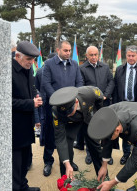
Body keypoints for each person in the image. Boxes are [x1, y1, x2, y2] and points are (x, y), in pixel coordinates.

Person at [40, 41, 83, 177]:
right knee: (51, 135)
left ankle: (68, 161)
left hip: (71, 106)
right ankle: (48, 161)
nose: (68, 53)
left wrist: (75, 98)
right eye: (65, 50)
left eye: (69, 50)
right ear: (58, 50)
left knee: (68, 136)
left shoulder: (74, 64)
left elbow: (79, 83)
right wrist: (57, 100)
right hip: (53, 106)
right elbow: (46, 83)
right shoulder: (48, 64)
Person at [49, 86, 104, 179]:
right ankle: (66, 181)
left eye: (70, 112)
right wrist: (67, 163)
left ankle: (103, 179)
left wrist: (98, 113)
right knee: (66, 146)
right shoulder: (56, 111)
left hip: (89, 118)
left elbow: (100, 96)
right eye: (65, 114)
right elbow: (60, 139)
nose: (68, 115)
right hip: (71, 123)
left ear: (76, 102)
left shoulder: (88, 93)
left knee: (95, 146)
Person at [113, 45, 137, 165]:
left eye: (133, 56)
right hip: (123, 105)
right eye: (129, 55)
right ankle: (125, 154)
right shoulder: (120, 69)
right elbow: (115, 89)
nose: (131, 58)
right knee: (125, 131)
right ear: (126, 55)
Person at [12, 41, 43, 191]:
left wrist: (36, 98)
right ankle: (16, 188)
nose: (32, 63)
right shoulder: (8, 71)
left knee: (26, 160)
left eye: (33, 60)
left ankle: (23, 186)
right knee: (16, 164)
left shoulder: (29, 70)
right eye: (28, 59)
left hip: (27, 124)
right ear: (17, 56)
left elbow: (31, 90)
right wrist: (31, 103)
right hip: (14, 126)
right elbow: (6, 101)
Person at [78, 46, 115, 165]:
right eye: (91, 55)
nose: (94, 57)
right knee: (91, 129)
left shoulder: (104, 67)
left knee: (106, 129)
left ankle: (106, 154)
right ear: (86, 56)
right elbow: (81, 86)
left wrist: (105, 95)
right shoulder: (82, 69)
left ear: (98, 55)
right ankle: (90, 153)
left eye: (96, 55)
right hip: (90, 105)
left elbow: (111, 82)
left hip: (104, 102)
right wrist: (93, 97)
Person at [34, 52, 56, 172]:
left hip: (61, 107)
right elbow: (37, 86)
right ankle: (48, 162)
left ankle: (69, 161)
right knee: (48, 135)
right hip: (47, 106)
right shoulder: (40, 72)